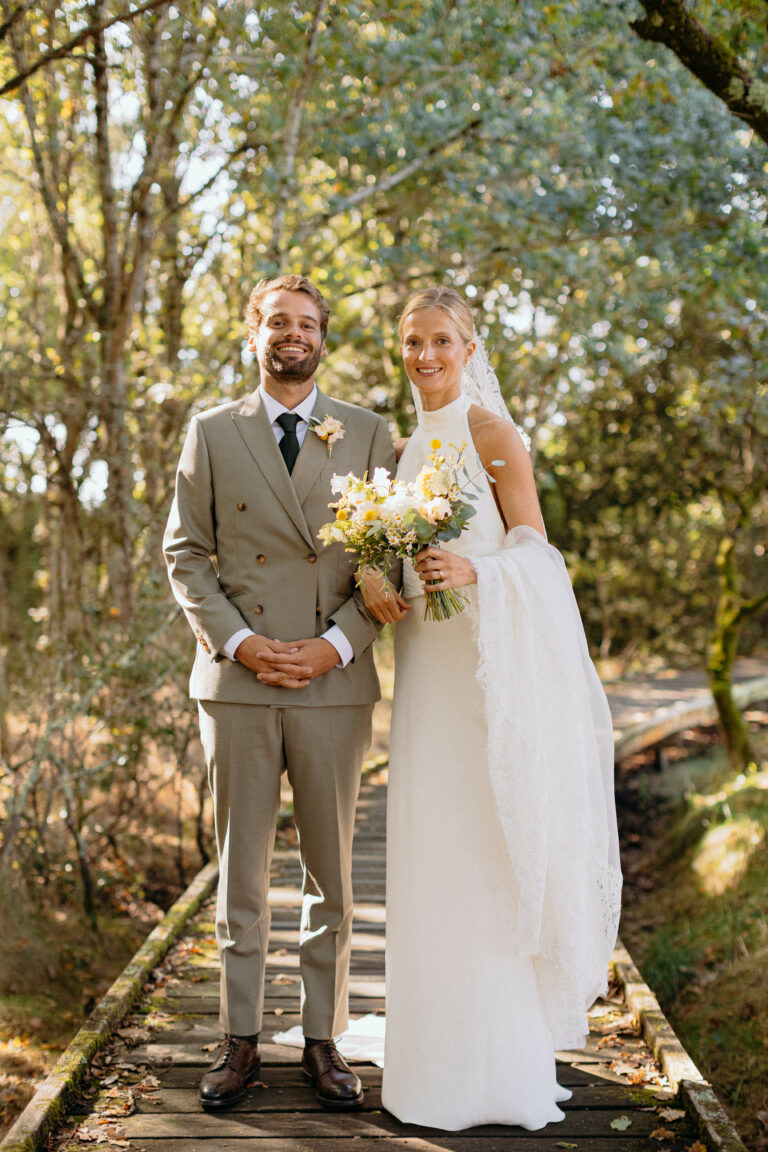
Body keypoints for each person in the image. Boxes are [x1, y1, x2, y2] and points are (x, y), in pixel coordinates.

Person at [361, 288, 622, 1131]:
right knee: (430, 848)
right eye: (412, 342)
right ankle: (427, 1063)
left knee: (485, 844)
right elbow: (390, 557)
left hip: (482, 673)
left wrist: (480, 574)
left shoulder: (491, 435)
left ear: (470, 347)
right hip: (424, 673)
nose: (426, 355)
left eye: (441, 339)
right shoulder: (399, 451)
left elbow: (537, 553)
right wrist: (377, 578)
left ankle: (497, 1066)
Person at [163, 274, 396, 1111]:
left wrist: (333, 645)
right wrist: (244, 642)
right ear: (253, 333)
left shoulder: (369, 432)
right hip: (240, 680)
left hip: (333, 680)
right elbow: (186, 553)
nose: (292, 335)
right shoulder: (211, 431)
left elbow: (390, 561)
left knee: (332, 873)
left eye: (307, 324)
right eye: (278, 322)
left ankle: (325, 1042)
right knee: (243, 871)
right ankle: (239, 1039)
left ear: (323, 340)